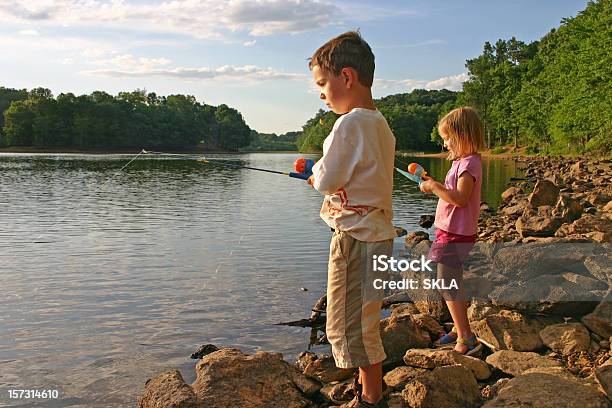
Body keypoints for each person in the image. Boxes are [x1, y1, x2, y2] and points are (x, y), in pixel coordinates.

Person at [307, 30, 396, 408]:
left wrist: (315, 177)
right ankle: (369, 390)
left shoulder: (349, 124)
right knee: (365, 317)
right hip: (377, 233)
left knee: (347, 323)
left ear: (347, 77)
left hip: (355, 238)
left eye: (323, 83)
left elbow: (328, 179)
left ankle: (372, 399)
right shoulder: (380, 124)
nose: (321, 93)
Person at [418, 107, 485, 356]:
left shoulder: (469, 164)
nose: (444, 143)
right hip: (450, 231)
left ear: (462, 135)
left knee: (447, 281)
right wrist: (433, 183)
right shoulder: (462, 162)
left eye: (447, 138)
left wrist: (434, 186)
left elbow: (460, 198)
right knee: (449, 280)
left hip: (456, 233)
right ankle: (459, 328)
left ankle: (467, 337)